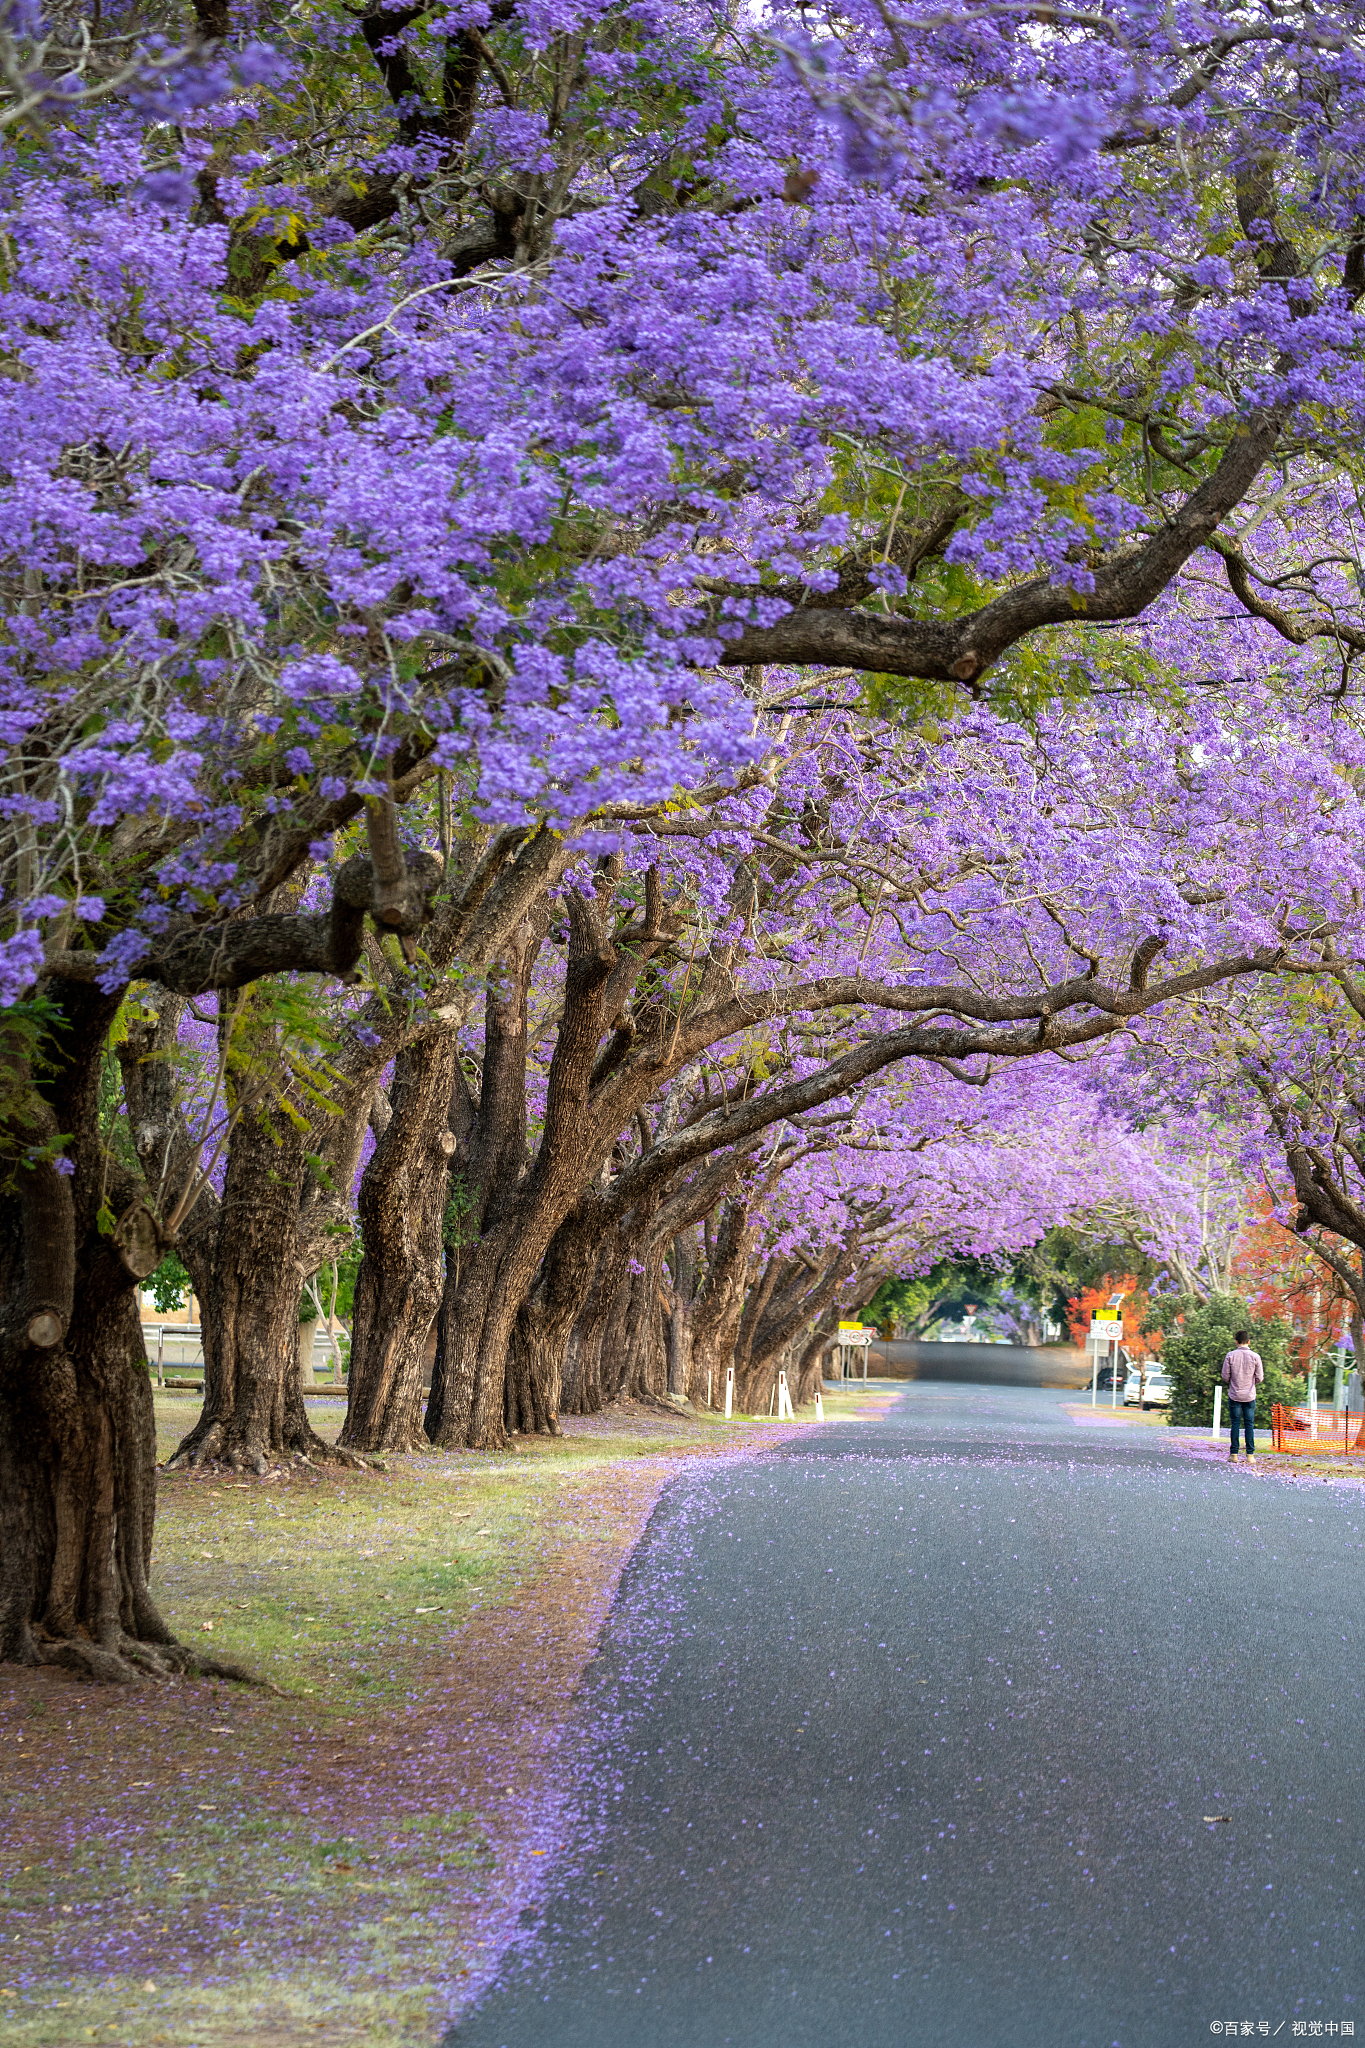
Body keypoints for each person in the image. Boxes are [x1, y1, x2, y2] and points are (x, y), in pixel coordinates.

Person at [1221, 1329, 1264, 1462]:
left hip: (1235, 1394)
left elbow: (1225, 1376)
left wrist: (1234, 1382)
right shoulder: (1255, 1356)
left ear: (1236, 1341)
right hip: (1250, 1394)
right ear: (1249, 1341)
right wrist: (1250, 1383)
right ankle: (1250, 1455)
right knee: (1249, 1424)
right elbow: (1260, 1377)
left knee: (1235, 1423)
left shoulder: (1230, 1356)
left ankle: (1234, 1454)